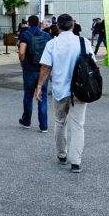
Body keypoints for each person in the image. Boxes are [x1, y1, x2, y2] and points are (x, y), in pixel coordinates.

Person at [34, 14, 88, 173]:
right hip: (80, 90)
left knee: (60, 123)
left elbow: (46, 68)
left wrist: (39, 87)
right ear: (73, 26)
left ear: (58, 27)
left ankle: (62, 154)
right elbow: (91, 64)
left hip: (59, 90)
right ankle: (76, 161)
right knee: (78, 125)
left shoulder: (52, 43)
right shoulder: (83, 42)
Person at [17, 15, 50, 132]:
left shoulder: (25, 35)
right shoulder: (46, 35)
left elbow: (21, 52)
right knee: (43, 96)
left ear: (29, 24)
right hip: (43, 69)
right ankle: (44, 125)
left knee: (28, 95)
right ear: (39, 24)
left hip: (29, 69)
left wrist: (22, 63)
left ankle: (27, 120)